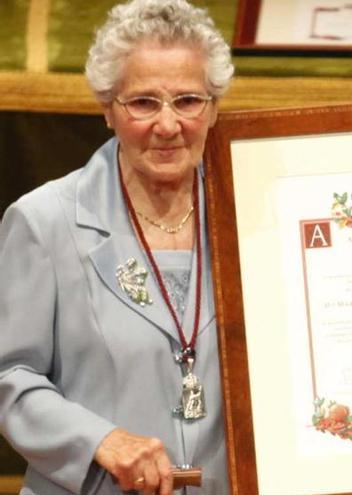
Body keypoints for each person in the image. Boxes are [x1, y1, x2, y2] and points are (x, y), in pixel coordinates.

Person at [0, 0, 234, 493]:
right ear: (108, 109)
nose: (168, 126)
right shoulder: (44, 221)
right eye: (144, 102)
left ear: (214, 109)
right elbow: (9, 376)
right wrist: (101, 440)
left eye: (188, 101)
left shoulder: (252, 215)